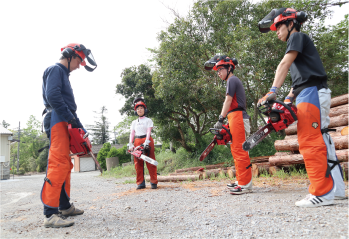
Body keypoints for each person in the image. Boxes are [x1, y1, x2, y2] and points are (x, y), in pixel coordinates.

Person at [258, 8, 346, 207]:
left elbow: (283, 64)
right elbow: (300, 81)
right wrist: (288, 99)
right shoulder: (299, 47)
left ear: (291, 24)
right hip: (309, 92)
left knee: (310, 140)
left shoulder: (296, 37)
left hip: (312, 94)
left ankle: (322, 193)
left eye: (279, 26)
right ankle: (337, 190)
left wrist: (272, 91)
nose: (277, 31)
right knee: (322, 139)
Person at [41, 43, 97, 227]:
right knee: (58, 162)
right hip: (56, 118)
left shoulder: (63, 74)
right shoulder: (55, 70)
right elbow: (53, 97)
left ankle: (64, 206)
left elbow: (67, 104)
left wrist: (78, 125)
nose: (80, 65)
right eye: (79, 60)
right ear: (69, 55)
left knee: (65, 164)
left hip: (63, 118)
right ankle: (50, 214)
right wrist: (69, 118)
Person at [204, 55, 252, 195]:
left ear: (229, 68)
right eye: (217, 70)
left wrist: (220, 119)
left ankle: (245, 184)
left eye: (220, 69)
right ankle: (242, 180)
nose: (218, 73)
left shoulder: (232, 80)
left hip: (238, 116)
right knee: (236, 150)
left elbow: (228, 100)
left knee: (240, 150)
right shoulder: (231, 80)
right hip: (234, 117)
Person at [128, 98, 158, 189]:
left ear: (145, 109)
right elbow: (132, 133)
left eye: (141, 108)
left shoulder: (148, 120)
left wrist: (147, 141)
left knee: (150, 161)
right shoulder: (134, 122)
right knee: (138, 163)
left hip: (147, 140)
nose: (139, 110)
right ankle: (140, 183)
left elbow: (149, 131)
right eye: (137, 109)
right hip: (137, 141)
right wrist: (130, 143)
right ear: (135, 111)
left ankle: (153, 182)